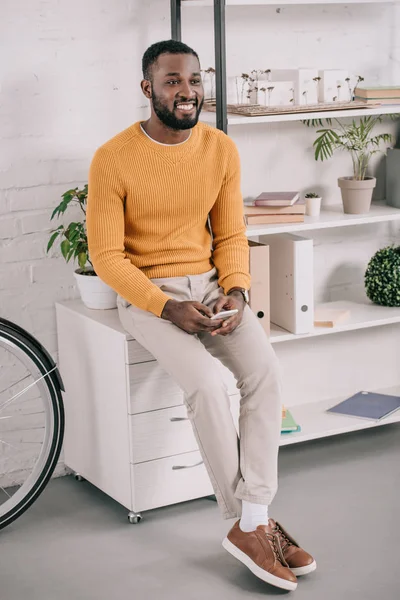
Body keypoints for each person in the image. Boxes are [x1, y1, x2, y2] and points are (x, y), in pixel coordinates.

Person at [86, 39, 316, 592]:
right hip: (149, 295)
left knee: (265, 373)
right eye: (172, 81)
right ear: (148, 89)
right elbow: (106, 257)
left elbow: (231, 234)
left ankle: (255, 520)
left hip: (213, 288)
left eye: (193, 80)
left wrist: (236, 291)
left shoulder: (220, 149)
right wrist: (168, 306)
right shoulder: (112, 158)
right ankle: (249, 524)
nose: (187, 91)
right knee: (209, 384)